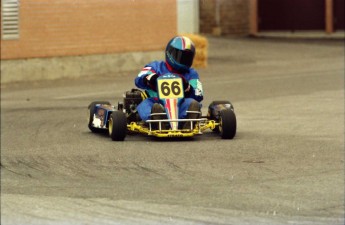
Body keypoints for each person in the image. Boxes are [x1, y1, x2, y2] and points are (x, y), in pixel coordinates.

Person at [134, 36, 203, 129]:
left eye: (187, 57)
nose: (183, 59)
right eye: (180, 56)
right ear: (170, 52)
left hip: (180, 104)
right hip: (156, 101)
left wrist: (188, 87)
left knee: (192, 104)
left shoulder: (191, 73)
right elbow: (138, 79)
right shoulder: (156, 66)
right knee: (146, 105)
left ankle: (186, 122)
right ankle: (158, 119)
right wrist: (150, 78)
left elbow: (198, 94)